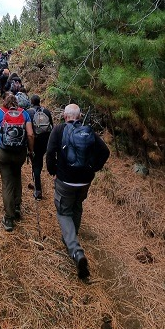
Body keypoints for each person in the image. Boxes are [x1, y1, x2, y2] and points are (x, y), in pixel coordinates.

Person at [46, 103, 110, 280]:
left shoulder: (59, 130)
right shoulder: (88, 132)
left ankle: (75, 250)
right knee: (77, 206)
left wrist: (53, 171)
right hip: (85, 181)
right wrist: (93, 168)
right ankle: (71, 237)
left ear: (65, 116)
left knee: (64, 211)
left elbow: (50, 153)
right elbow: (105, 151)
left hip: (65, 180)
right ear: (80, 116)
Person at [0, 93, 34, 232]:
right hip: (19, 153)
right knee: (17, 175)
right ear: (17, 103)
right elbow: (30, 135)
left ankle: (9, 218)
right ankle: (17, 206)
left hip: (3, 153)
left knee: (7, 182)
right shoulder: (24, 114)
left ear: (4, 102)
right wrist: (31, 151)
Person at [27, 94, 53, 200]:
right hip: (45, 141)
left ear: (31, 102)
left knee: (36, 165)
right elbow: (52, 126)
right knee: (39, 162)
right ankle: (37, 183)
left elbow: (27, 131)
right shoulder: (46, 111)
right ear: (40, 102)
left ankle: (38, 190)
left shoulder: (29, 112)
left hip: (34, 141)